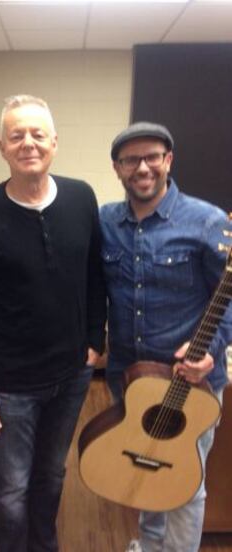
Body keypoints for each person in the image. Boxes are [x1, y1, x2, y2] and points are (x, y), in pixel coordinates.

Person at [0, 94, 106, 552]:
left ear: (54, 142)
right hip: (9, 386)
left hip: (71, 377)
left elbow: (95, 275)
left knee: (51, 475)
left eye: (37, 134)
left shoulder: (82, 197)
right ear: (2, 147)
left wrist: (93, 341)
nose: (28, 143)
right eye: (16, 135)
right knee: (12, 488)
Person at [100, 121, 232, 552]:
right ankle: (150, 546)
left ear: (168, 160)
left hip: (190, 387)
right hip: (129, 381)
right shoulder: (105, 223)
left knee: (185, 486)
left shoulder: (208, 221)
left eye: (151, 156)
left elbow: (228, 298)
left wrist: (210, 350)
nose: (142, 167)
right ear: (118, 168)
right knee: (147, 469)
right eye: (131, 160)